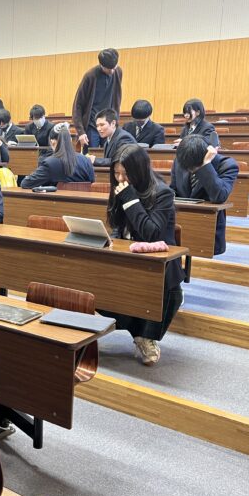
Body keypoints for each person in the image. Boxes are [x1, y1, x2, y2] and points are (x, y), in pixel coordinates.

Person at [100, 144, 184, 366]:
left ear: (139, 171)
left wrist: (129, 199)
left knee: (164, 294)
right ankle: (138, 332)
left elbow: (151, 233)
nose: (120, 179)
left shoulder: (162, 193)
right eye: (116, 173)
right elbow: (117, 224)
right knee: (95, 279)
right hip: (127, 256)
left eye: (125, 174)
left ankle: (146, 336)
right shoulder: (120, 187)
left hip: (159, 262)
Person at [170, 134, 238, 255]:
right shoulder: (180, 161)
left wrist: (205, 165)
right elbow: (174, 190)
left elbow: (219, 196)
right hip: (181, 225)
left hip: (208, 230)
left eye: (194, 167)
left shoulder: (227, 165)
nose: (190, 170)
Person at [72, 48, 123, 148]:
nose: (112, 71)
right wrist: (81, 132)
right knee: (91, 154)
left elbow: (116, 99)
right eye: (109, 69)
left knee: (110, 153)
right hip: (92, 124)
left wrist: (115, 123)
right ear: (101, 65)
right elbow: (78, 105)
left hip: (109, 123)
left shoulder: (118, 72)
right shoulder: (90, 76)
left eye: (114, 67)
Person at [20, 123, 95, 189]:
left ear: (52, 142)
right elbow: (92, 184)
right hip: (82, 200)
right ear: (70, 140)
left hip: (57, 201)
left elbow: (25, 183)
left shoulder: (50, 163)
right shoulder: (86, 161)